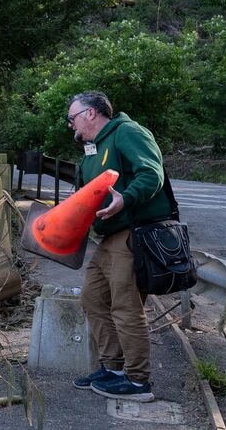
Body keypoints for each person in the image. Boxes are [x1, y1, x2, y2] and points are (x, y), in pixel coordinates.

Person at [66, 91, 171, 402]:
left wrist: (126, 198)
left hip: (132, 232)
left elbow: (152, 174)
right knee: (93, 298)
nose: (71, 125)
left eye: (72, 118)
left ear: (90, 114)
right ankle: (113, 369)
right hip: (108, 235)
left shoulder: (128, 132)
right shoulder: (92, 148)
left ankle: (138, 381)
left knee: (125, 306)